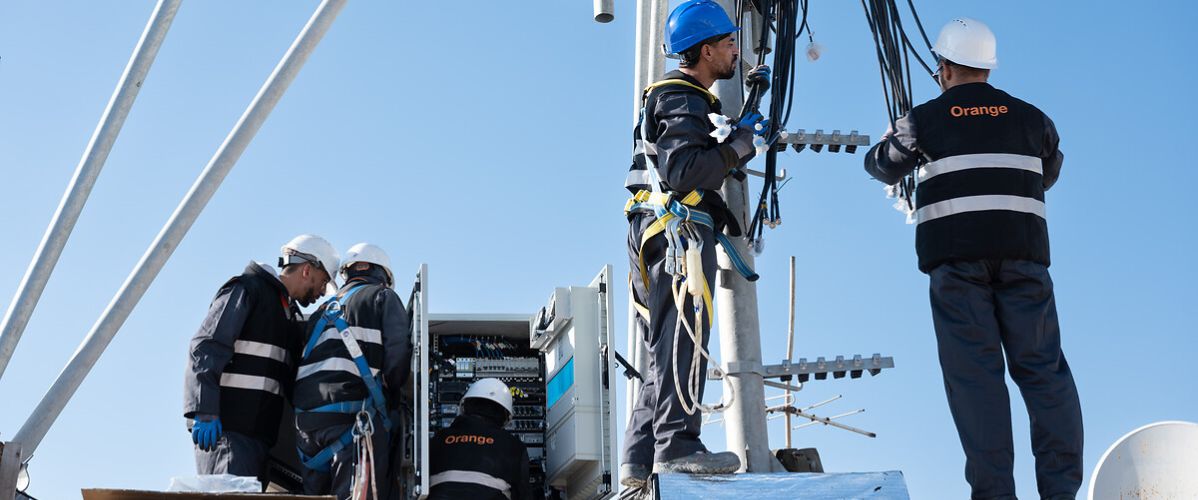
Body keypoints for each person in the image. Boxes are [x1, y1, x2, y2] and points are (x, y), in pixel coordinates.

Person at [863, 17, 1083, 499]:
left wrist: (892, 141)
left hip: (957, 266)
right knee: (1044, 374)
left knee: (976, 382)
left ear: (943, 66)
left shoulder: (924, 119)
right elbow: (1050, 170)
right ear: (988, 66)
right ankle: (1061, 492)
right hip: (1024, 260)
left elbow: (881, 165)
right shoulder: (1032, 118)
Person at [620, 0, 770, 489]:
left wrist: (727, 141)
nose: (735, 51)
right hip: (676, 232)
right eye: (728, 43)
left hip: (657, 233)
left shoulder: (677, 99)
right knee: (684, 336)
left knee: (664, 346)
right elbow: (684, 171)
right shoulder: (682, 95)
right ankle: (678, 447)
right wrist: (738, 147)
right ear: (705, 51)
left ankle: (639, 457)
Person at [184, 234, 339, 483]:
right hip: (227, 435)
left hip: (258, 440)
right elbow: (206, 347)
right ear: (308, 270)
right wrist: (204, 410)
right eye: (323, 282)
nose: (322, 292)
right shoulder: (248, 290)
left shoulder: (286, 317)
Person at [294, 243, 411, 499]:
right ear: (383, 275)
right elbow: (397, 354)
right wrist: (392, 398)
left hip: (307, 429)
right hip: (355, 421)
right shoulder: (382, 297)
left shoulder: (319, 313)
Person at [427, 378, 530, 500]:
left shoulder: (439, 438)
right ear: (505, 416)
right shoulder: (513, 446)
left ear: (464, 407)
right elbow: (524, 494)